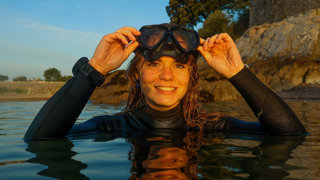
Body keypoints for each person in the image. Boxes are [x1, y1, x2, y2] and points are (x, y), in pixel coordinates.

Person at [24, 23, 306, 141]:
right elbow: (39, 140)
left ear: (192, 78)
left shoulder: (214, 127)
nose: (167, 76)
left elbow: (291, 136)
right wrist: (95, 69)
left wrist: (237, 72)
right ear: (136, 74)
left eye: (180, 66)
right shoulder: (111, 126)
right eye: (154, 64)